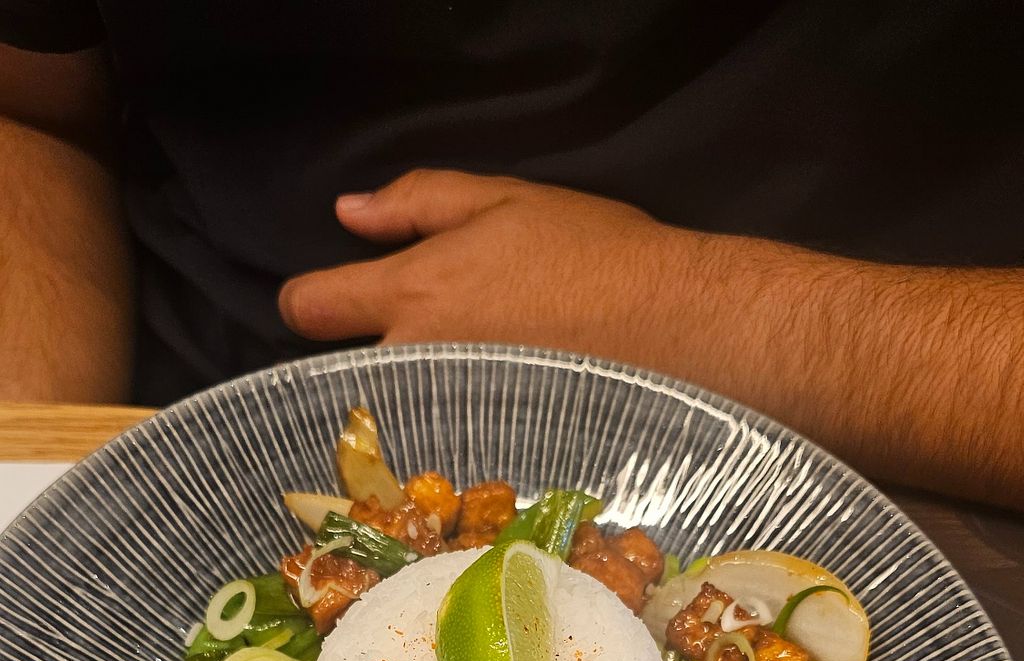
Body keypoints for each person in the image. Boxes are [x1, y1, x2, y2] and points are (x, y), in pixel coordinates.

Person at [0, 2, 1021, 506]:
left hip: (879, 448)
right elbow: (33, 110)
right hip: (194, 418)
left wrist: (708, 310)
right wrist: (26, 469)